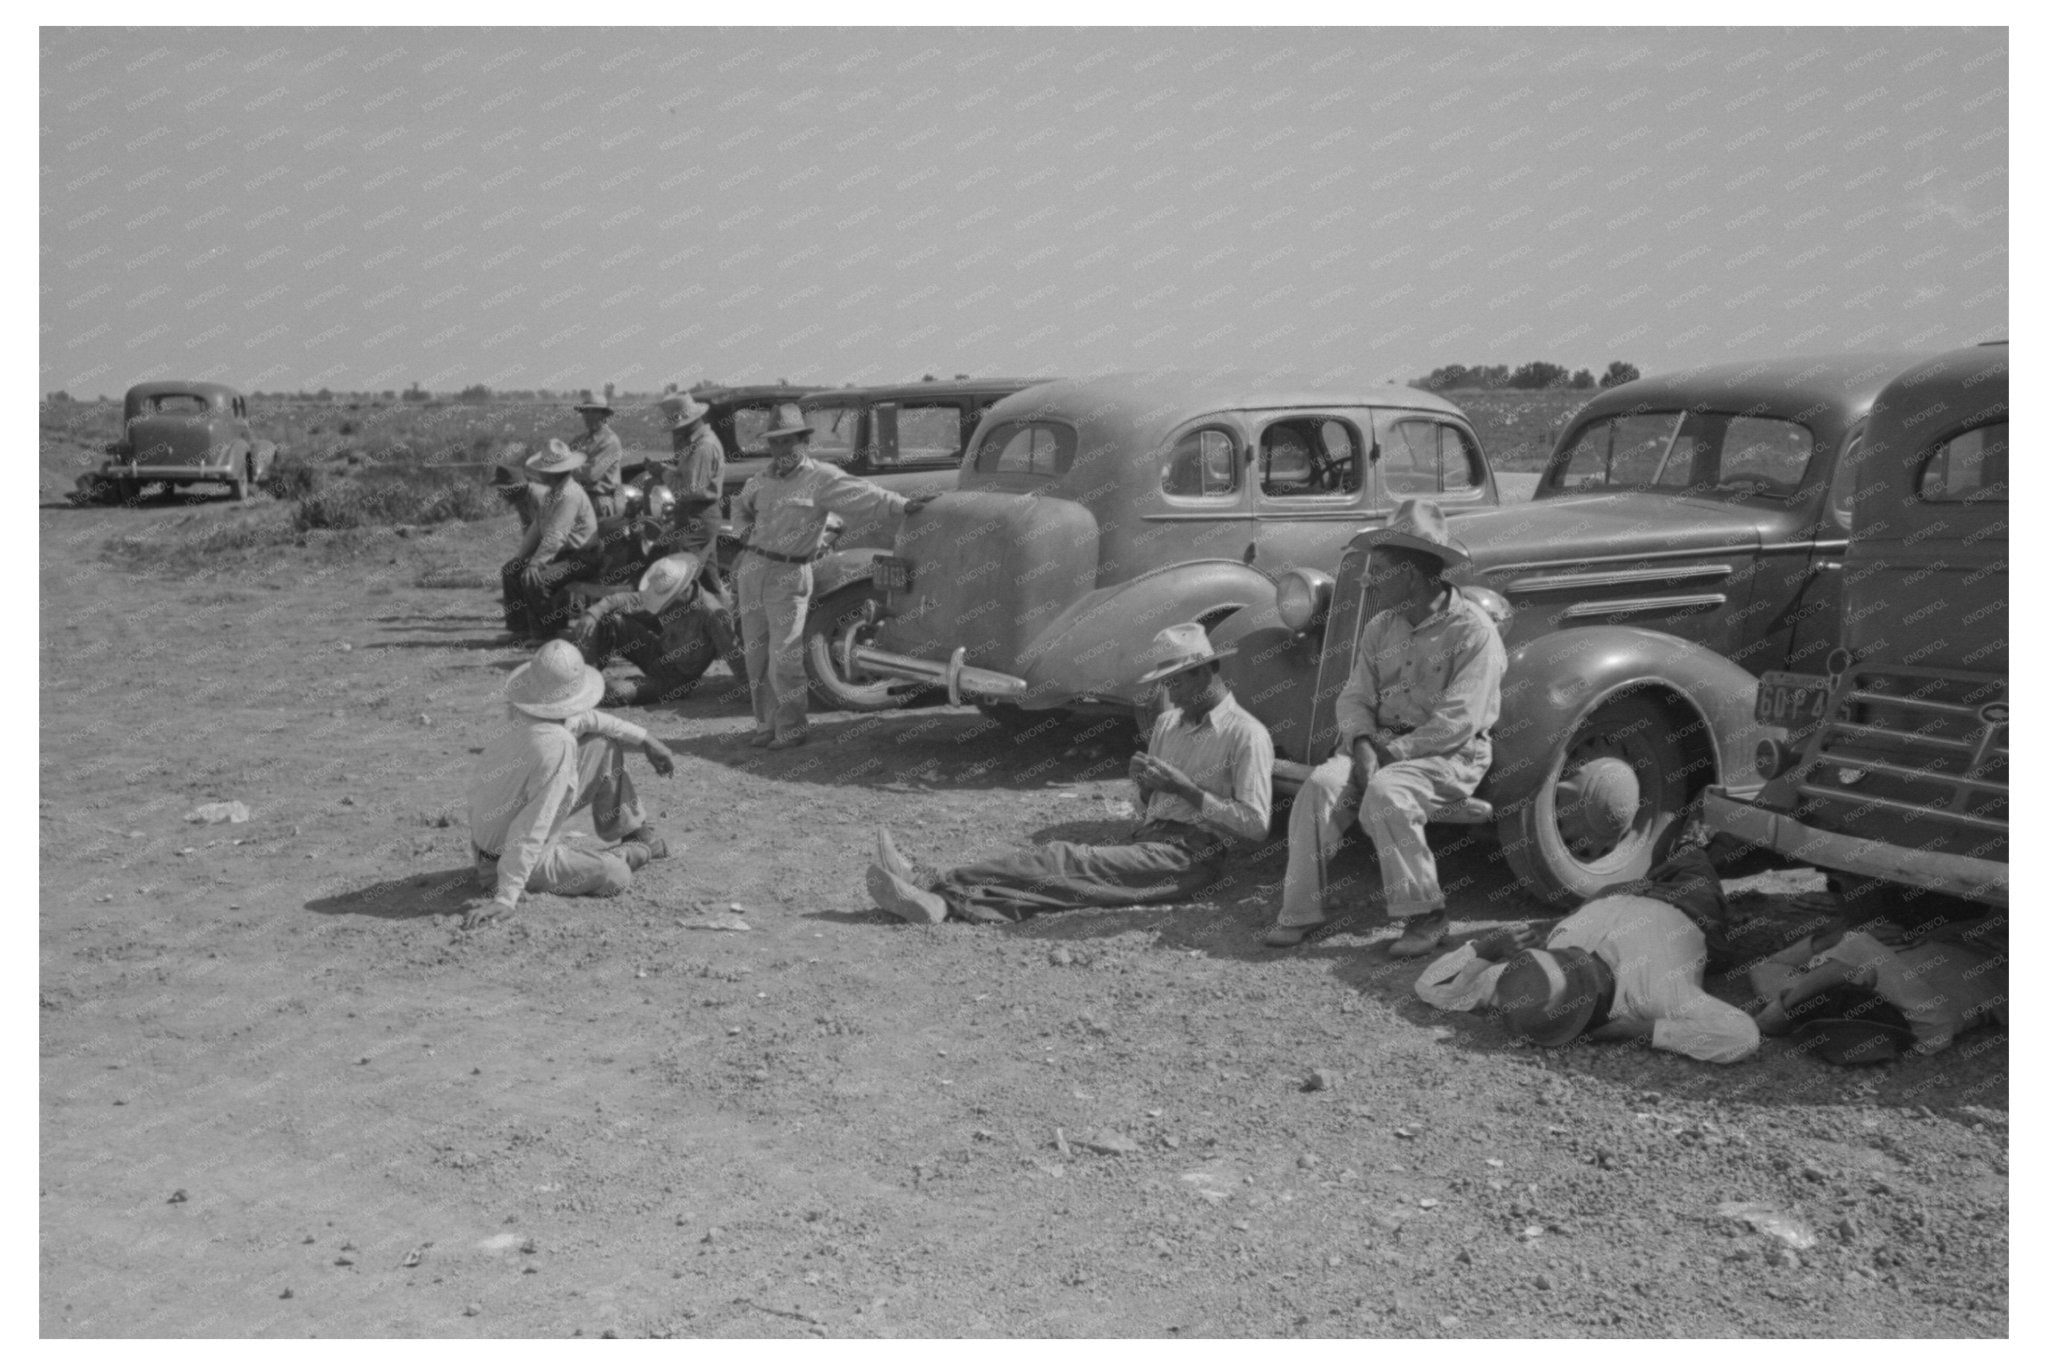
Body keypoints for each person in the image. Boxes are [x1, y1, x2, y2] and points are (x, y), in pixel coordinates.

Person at [867, 623, 1274, 924]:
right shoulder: (1169, 724)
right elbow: (1145, 807)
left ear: (1205, 673)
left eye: (1177, 682)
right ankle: (942, 903)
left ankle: (933, 880)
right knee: (1064, 885)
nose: (1170, 694)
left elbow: (1256, 825)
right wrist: (1147, 789)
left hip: (1193, 856)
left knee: (1060, 859)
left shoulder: (1246, 735)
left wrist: (1187, 790)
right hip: (1153, 839)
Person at [1266, 499, 1506, 955]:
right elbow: (1355, 696)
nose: (1364, 579)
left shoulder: (1473, 632)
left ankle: (1427, 917)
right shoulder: (1381, 627)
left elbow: (1459, 721)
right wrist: (1360, 743)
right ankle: (1301, 911)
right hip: (1376, 747)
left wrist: (1389, 755)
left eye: (1377, 569)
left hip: (1446, 755)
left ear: (1411, 574)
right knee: (1319, 786)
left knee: (1387, 793)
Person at [731, 403, 934, 749]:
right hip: (753, 569)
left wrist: (903, 505)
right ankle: (766, 725)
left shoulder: (820, 478)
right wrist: (743, 532)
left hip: (789, 573)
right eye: (775, 443)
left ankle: (791, 728)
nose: (781, 450)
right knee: (757, 655)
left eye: (788, 442)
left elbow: (865, 495)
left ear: (804, 442)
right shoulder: (760, 479)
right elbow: (739, 506)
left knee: (786, 656)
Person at [461, 640, 677, 930]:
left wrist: (644, 738)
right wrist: (507, 896)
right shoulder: (555, 745)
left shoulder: (522, 711)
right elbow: (530, 826)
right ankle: (633, 851)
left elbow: (587, 719)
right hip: (505, 861)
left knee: (603, 745)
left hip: (494, 839)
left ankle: (634, 832)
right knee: (615, 875)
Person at [1412, 892, 1762, 1064]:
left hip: (1664, 898)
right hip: (1679, 900)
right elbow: (1429, 986)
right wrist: (1486, 949)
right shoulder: (1535, 979)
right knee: (1693, 859)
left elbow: (1742, 1036)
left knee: (1693, 852)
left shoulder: (1659, 993)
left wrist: (1631, 1030)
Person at [1747, 913, 2008, 1063]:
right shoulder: (1923, 1017)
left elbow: (1764, 966)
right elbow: (1857, 945)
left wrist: (1827, 944)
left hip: (1955, 931)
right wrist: (1779, 1013)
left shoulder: (1802, 991)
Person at [565, 552, 740, 706]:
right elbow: (622, 600)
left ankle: (599, 688)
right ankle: (583, 679)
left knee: (615, 692)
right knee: (607, 618)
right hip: (657, 653)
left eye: (666, 599)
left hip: (675, 681)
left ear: (683, 590)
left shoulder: (711, 613)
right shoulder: (676, 597)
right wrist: (593, 612)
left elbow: (733, 654)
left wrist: (754, 693)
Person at [500, 439, 599, 640]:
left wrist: (536, 563)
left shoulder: (569, 494)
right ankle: (521, 630)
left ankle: (548, 634)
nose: (540, 472)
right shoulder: (553, 493)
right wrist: (520, 557)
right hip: (564, 554)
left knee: (537, 579)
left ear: (551, 471)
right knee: (512, 570)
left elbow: (556, 534)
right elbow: (537, 528)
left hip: (582, 557)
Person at [660, 391, 729, 599]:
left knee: (677, 576)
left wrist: (663, 474)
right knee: (709, 580)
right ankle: (724, 622)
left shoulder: (702, 447)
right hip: (698, 514)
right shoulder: (697, 444)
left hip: (697, 515)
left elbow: (689, 489)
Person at [570, 394, 626, 518]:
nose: (588, 415)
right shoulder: (579, 440)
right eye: (585, 411)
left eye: (594, 411)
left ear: (603, 414)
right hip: (578, 498)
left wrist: (566, 470)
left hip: (599, 500)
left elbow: (592, 474)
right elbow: (565, 459)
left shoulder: (609, 440)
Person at [492, 461, 545, 532]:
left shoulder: (537, 496)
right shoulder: (521, 500)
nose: (500, 495)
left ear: (512, 490)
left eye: (502, 491)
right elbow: (528, 529)